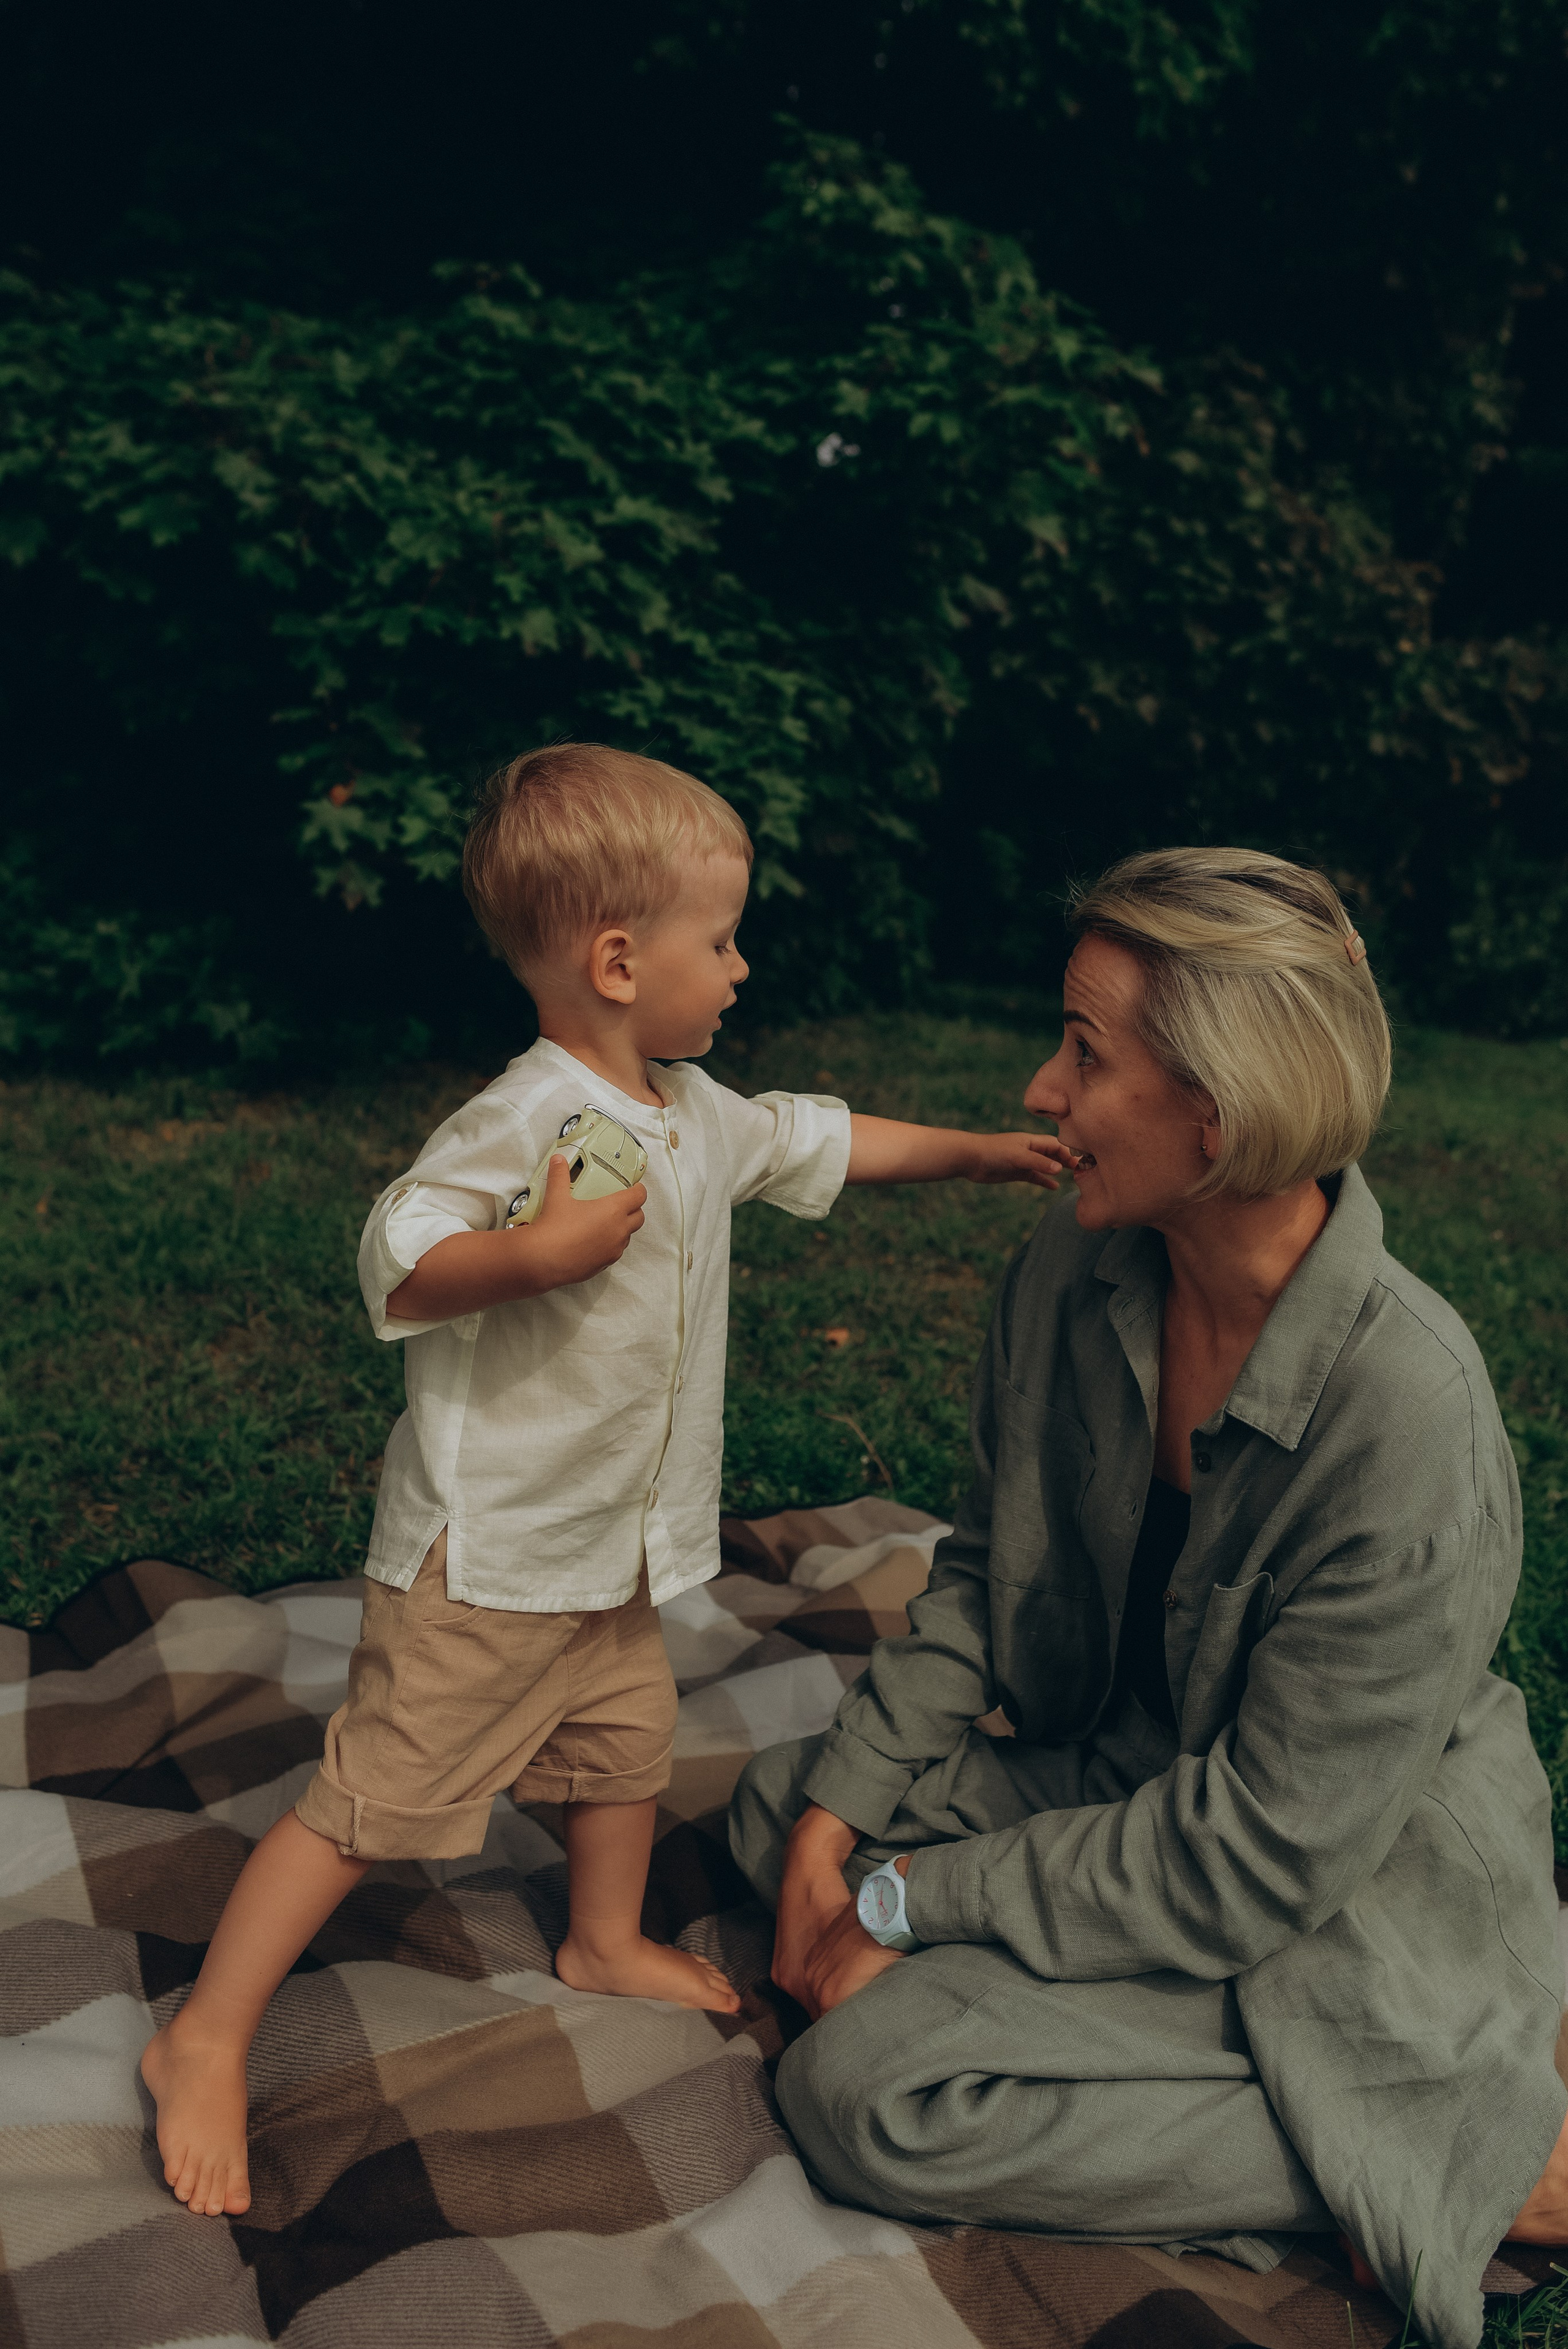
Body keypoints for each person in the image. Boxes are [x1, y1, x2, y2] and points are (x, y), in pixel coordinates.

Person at [139, 742, 1075, 2222]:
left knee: (621, 1745)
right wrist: (533, 1253)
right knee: (370, 1797)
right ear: (621, 958)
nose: (742, 965)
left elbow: (820, 1134)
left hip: (609, 1552)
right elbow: (398, 1243)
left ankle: (598, 1939)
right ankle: (203, 2034)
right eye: (721, 939)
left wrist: (974, 1154)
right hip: (491, 1555)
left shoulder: (696, 1109)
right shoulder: (527, 1118)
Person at [729, 846, 1568, 2349]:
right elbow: (987, 1568)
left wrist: (907, 1903)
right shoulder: (1076, 1257)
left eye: (1082, 1052)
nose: (1040, 1091)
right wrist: (832, 1830)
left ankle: (1477, 2156)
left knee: (870, 2097)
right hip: (1127, 1764)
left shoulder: (1409, 1418)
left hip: (1335, 1870)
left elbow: (1256, 1853)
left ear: (1217, 1116)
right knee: (768, 1810)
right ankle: (1369, 2104)